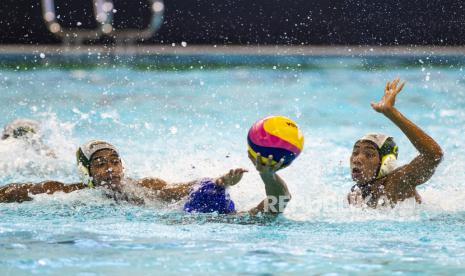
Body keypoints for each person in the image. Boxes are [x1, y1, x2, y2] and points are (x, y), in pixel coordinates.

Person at [0, 140, 291, 215]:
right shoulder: (67, 191)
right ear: (86, 172)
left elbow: (179, 188)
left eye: (115, 161)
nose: (111, 168)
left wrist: (218, 182)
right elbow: (12, 191)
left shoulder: (144, 188)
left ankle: (268, 173)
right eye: (100, 164)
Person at [347, 77, 443, 208]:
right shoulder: (355, 195)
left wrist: (391, 112)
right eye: (355, 152)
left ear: (386, 162)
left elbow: (434, 155)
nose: (357, 159)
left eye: (369, 154)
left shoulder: (398, 181)